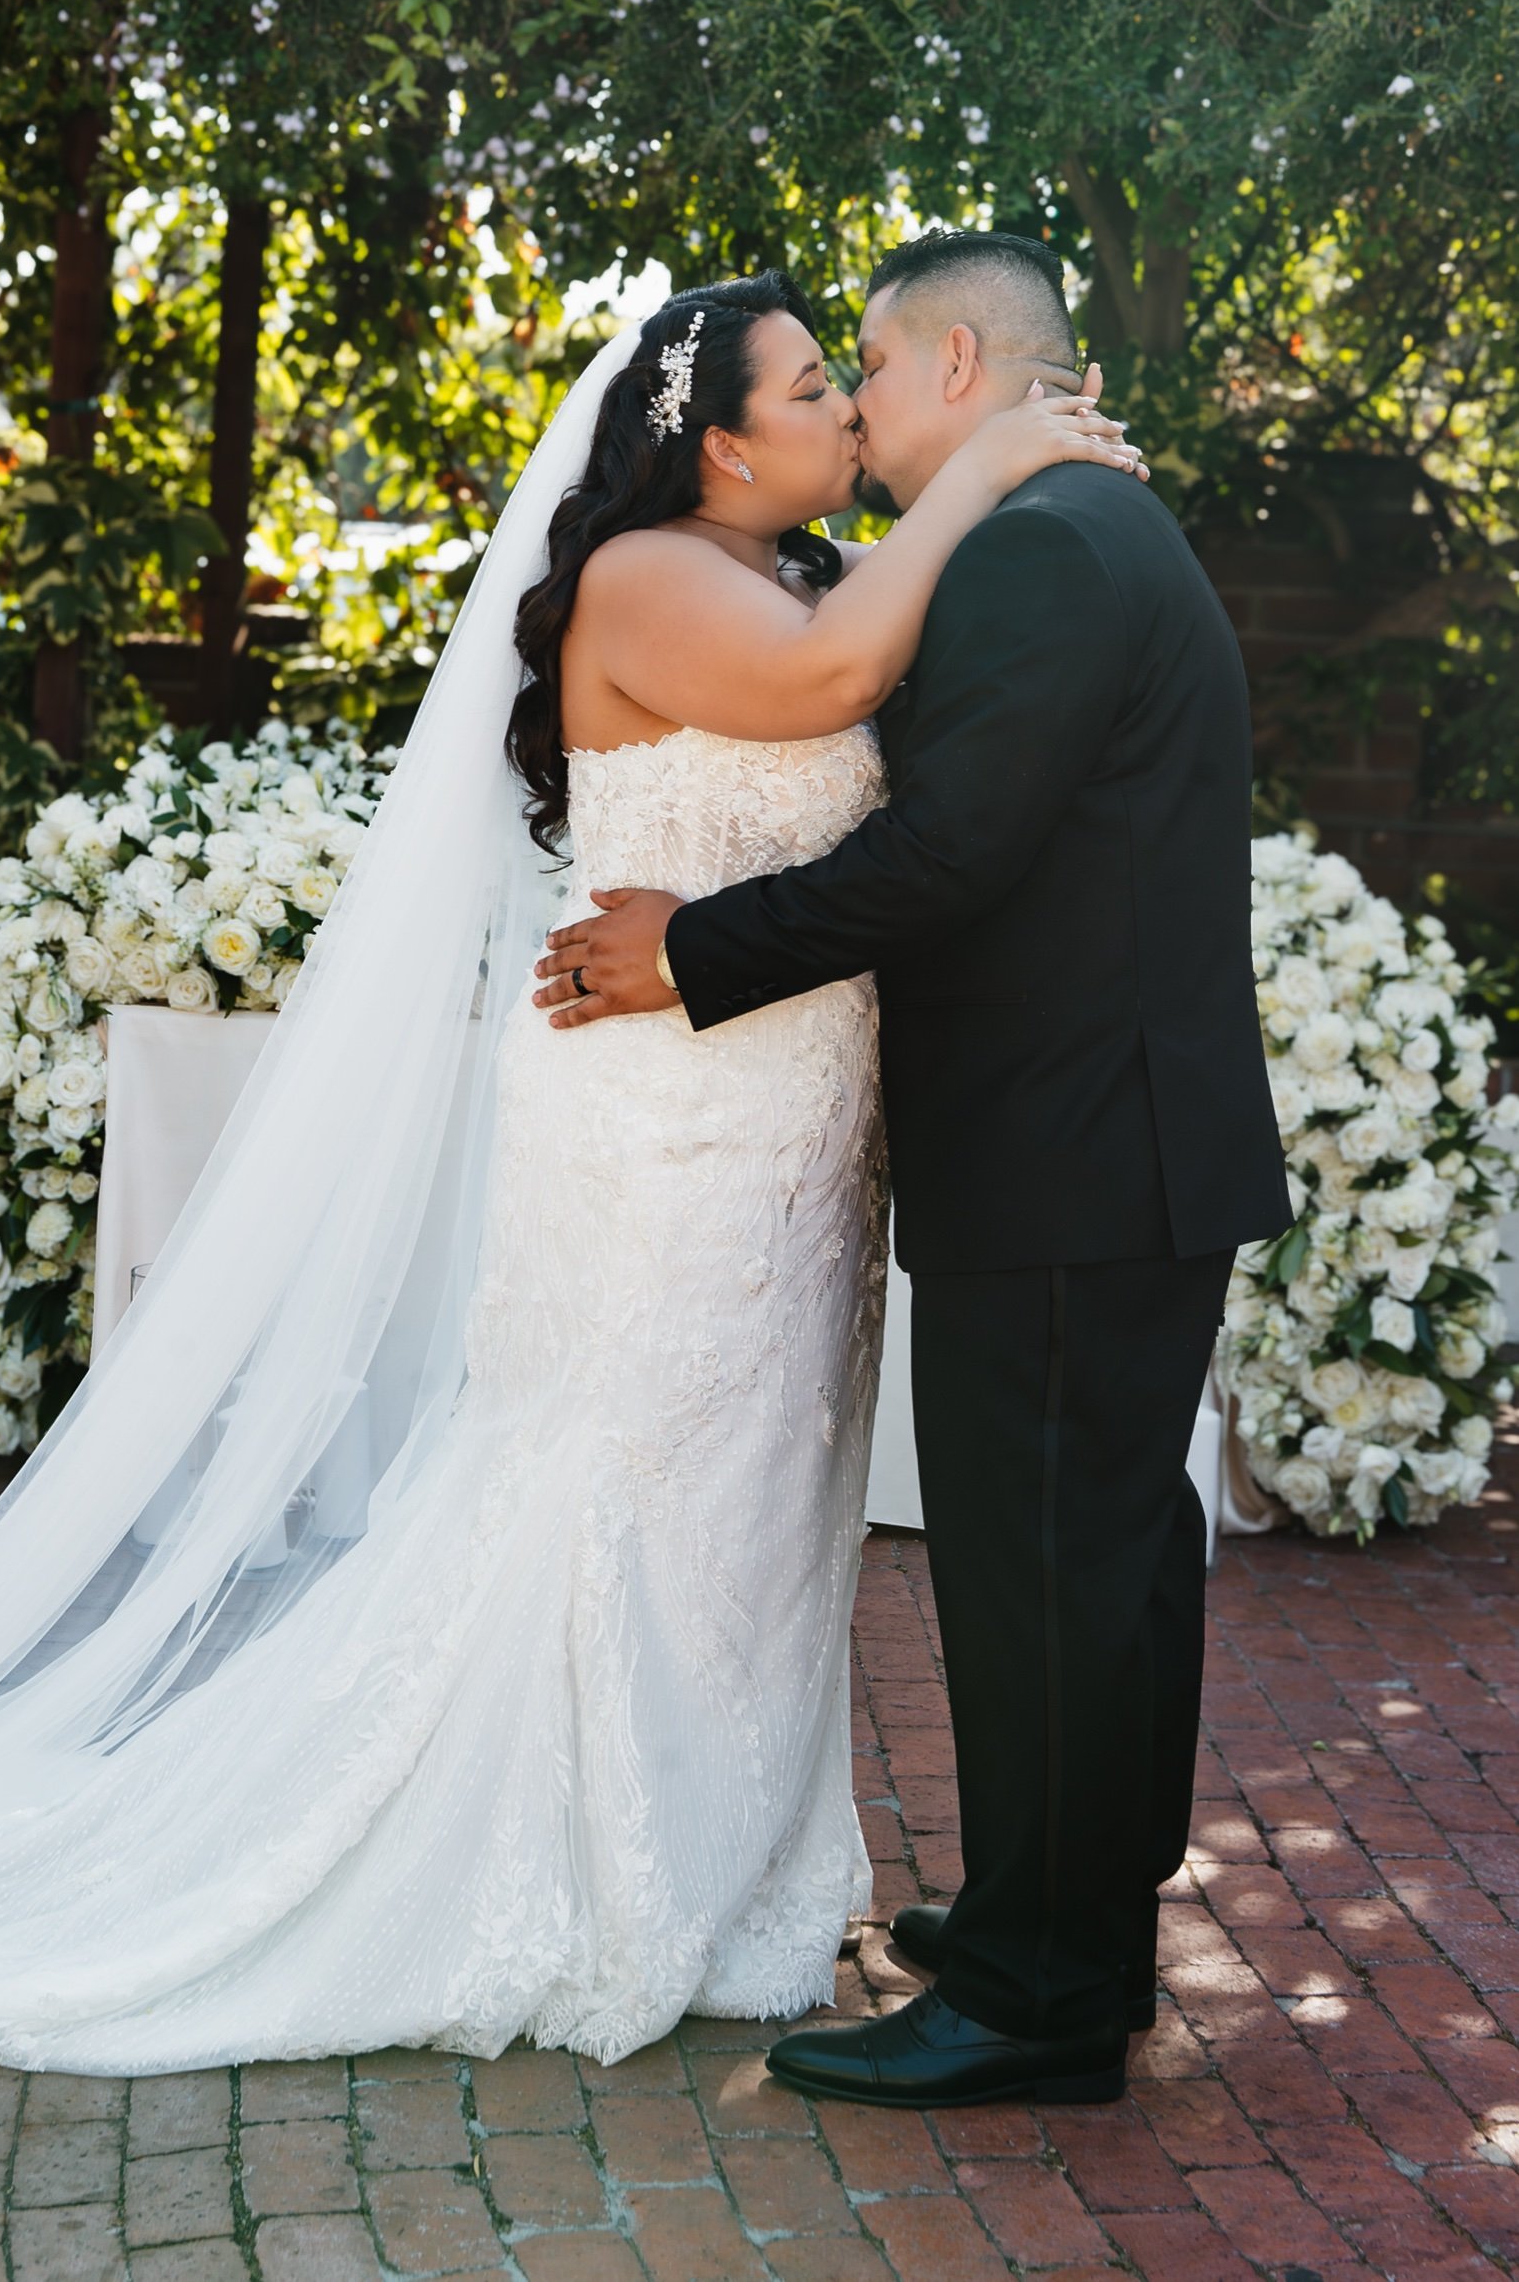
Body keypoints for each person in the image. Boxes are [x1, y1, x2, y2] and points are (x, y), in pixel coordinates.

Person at [0, 267, 1137, 2076]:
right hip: (666, 1128)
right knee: (624, 1472)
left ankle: (725, 1860)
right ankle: (574, 1863)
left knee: (762, 1497)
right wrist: (990, 456)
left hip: (793, 1129)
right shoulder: (649, 578)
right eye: (812, 390)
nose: (851, 413)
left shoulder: (793, 567)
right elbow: (845, 684)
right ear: (717, 442)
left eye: (854, 387)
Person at [536, 229, 1294, 2111]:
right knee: (1096, 1562)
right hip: (1105, 1138)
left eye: (865, 372)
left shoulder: (1042, 545)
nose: (858, 410)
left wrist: (690, 951)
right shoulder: (1069, 529)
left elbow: (946, 857)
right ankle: (1065, 1913)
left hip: (1068, 1142)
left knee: (1050, 1567)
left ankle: (1039, 1997)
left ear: (958, 366)